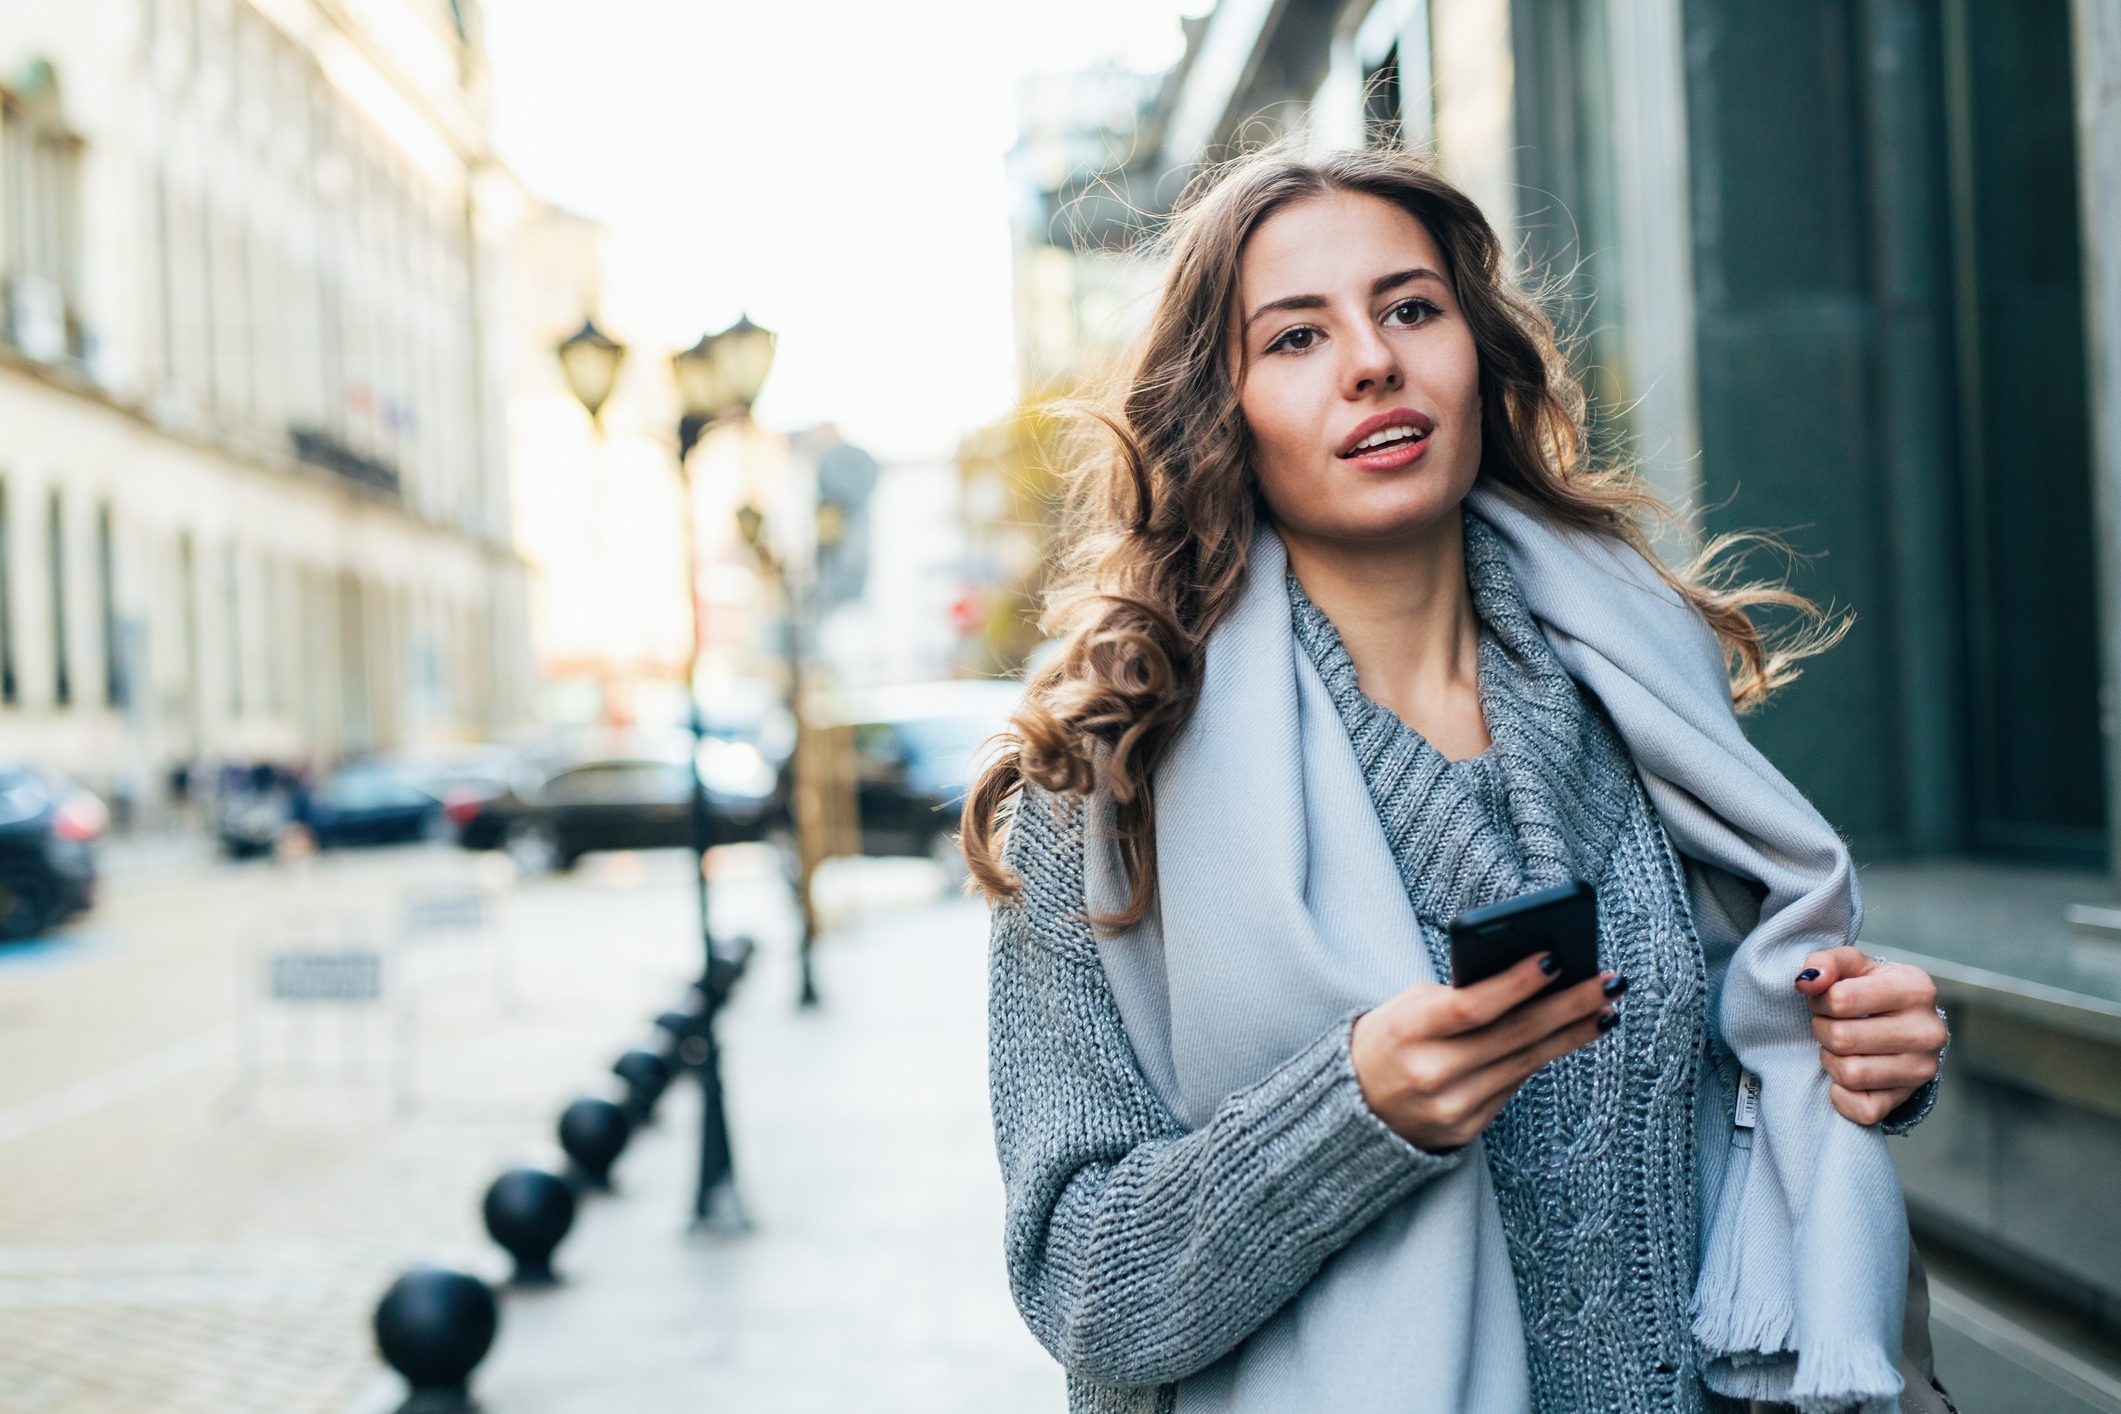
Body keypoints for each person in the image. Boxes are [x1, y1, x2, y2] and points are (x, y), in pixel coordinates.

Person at [962, 142, 1954, 1414]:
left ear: (1474, 353)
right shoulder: (1100, 780)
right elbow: (1084, 1285)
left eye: (1411, 309)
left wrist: (1868, 1053)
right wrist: (1353, 1113)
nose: (1373, 360)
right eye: (1296, 339)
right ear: (1220, 410)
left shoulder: (1647, 689)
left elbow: (1758, 1069)